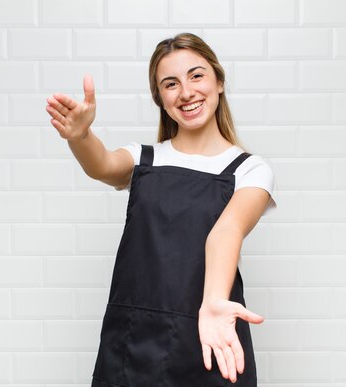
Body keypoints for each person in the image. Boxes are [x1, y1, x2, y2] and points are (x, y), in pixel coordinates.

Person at [45, 32, 277, 386]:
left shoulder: (249, 170)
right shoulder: (144, 159)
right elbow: (102, 165)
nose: (186, 92)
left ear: (218, 82)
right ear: (160, 99)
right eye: (171, 84)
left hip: (209, 340)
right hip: (132, 344)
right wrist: (80, 136)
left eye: (196, 75)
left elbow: (227, 230)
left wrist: (213, 302)